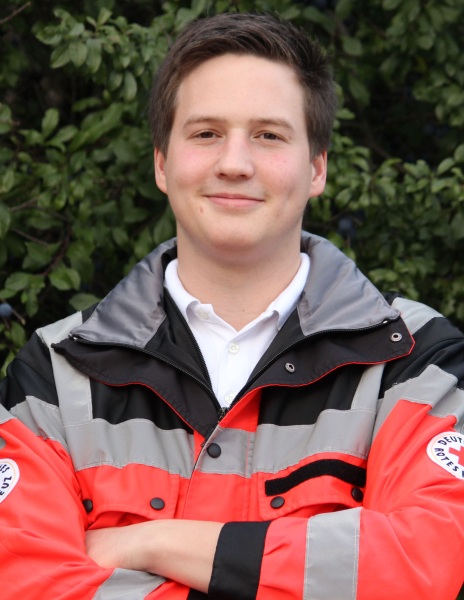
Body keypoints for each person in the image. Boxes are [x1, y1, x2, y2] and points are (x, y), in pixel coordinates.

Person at [1, 11, 464, 600]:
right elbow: (27, 581)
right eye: (206, 134)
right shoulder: (55, 375)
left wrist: (153, 542)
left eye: (268, 135)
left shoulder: (415, 359)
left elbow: (423, 562)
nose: (235, 163)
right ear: (162, 163)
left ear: (316, 167)